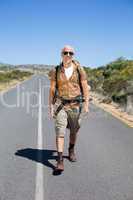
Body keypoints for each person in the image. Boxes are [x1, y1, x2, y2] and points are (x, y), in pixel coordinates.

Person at [49, 45, 89, 172]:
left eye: (70, 53)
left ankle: (71, 149)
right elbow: (52, 89)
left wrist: (86, 104)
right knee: (60, 132)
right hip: (61, 104)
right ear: (61, 54)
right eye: (65, 53)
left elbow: (85, 86)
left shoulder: (79, 69)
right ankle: (60, 161)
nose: (68, 55)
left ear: (73, 55)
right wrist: (50, 105)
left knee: (73, 131)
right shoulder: (56, 70)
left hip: (75, 105)